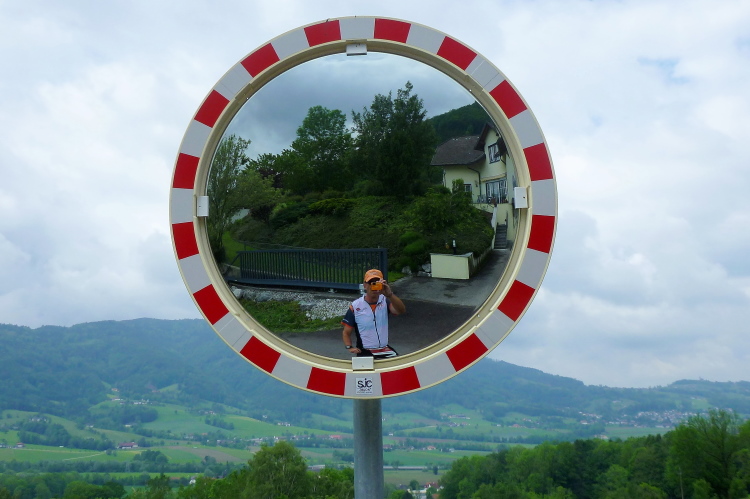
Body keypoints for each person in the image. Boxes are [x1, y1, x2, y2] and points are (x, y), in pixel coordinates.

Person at [341, 269, 406, 358]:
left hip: (384, 349)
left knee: (400, 364)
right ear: (365, 285)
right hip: (365, 351)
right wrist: (349, 347)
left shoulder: (385, 301)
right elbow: (346, 332)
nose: (373, 286)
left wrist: (390, 295)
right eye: (371, 283)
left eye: (377, 283)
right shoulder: (356, 306)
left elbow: (401, 310)